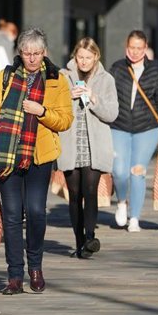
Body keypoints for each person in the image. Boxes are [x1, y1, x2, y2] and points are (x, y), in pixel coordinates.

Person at [0, 28, 73, 295]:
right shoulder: (5, 77)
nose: (31, 59)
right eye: (26, 53)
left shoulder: (56, 79)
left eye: (36, 54)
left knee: (37, 211)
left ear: (44, 53)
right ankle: (15, 275)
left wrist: (42, 112)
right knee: (12, 216)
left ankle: (35, 267)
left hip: (41, 156)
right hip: (6, 155)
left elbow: (65, 120)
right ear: (20, 52)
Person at [58, 38, 118, 257]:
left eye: (88, 57)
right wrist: (68, 97)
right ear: (75, 57)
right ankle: (79, 241)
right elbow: (53, 108)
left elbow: (112, 113)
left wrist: (93, 98)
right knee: (74, 194)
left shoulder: (106, 80)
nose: (84, 62)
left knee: (90, 190)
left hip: (95, 144)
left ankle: (90, 237)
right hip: (70, 142)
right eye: (80, 57)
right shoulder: (63, 77)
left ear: (96, 57)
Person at [110, 30, 158, 232]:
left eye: (139, 48)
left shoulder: (155, 71)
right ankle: (121, 202)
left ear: (145, 48)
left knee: (137, 172)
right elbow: (108, 97)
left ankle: (135, 218)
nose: (136, 52)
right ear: (126, 47)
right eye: (132, 48)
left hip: (147, 128)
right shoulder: (117, 68)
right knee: (119, 171)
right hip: (119, 126)